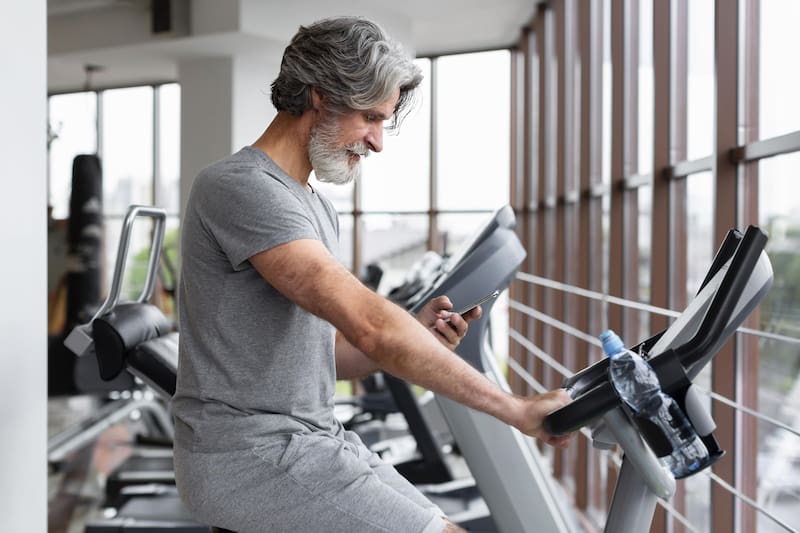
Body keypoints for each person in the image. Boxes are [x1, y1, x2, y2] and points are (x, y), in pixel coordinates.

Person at [172, 16, 573, 533]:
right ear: (320, 97)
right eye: (369, 117)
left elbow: (325, 357)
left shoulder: (316, 206)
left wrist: (418, 335)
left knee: (444, 522)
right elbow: (371, 326)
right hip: (248, 458)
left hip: (315, 438)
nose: (379, 142)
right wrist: (517, 409)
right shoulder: (241, 187)